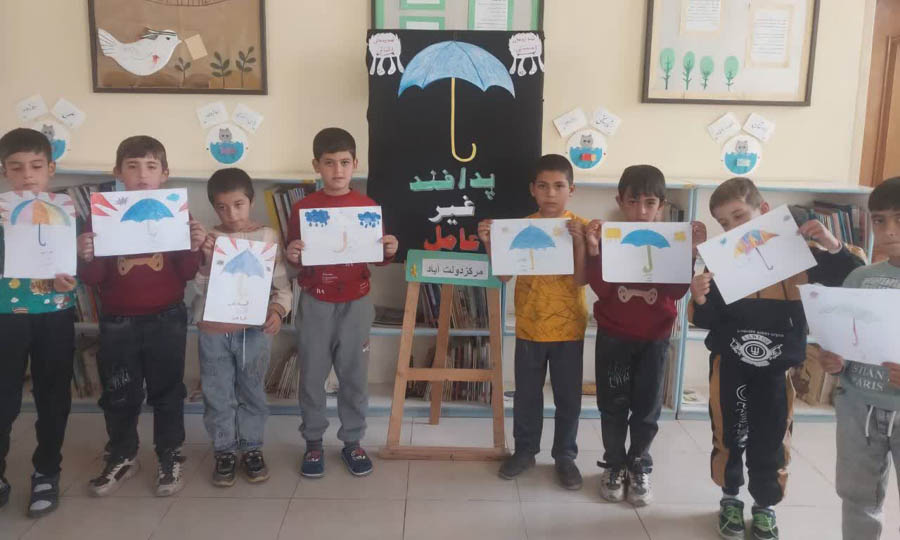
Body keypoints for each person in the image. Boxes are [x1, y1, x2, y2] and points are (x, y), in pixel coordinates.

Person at [691, 177, 864, 539]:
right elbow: (707, 319)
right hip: (730, 367)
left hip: (777, 370)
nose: (733, 227)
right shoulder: (722, 263)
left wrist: (833, 245)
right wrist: (701, 297)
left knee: (772, 438)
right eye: (724, 223)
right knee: (728, 434)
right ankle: (729, 497)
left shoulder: (801, 255)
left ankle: (765, 504)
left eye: (740, 216)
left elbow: (853, 279)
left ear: (764, 211)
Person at [78, 136, 206, 497]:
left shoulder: (177, 213)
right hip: (119, 321)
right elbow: (93, 278)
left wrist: (194, 245)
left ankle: (169, 454)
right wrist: (86, 254)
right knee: (120, 392)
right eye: (132, 167)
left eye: (151, 166)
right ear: (118, 172)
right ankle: (123, 454)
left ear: (165, 173)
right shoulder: (100, 215)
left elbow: (186, 272)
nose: (142, 175)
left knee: (168, 391)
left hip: (167, 318)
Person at [585, 164, 705, 507]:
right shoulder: (610, 238)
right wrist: (593, 250)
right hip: (614, 336)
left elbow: (677, 292)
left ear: (661, 206)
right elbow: (602, 289)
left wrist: (690, 253)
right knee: (612, 404)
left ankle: (639, 463)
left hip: (654, 338)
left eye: (650, 203)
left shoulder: (670, 242)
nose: (641, 211)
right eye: (633, 201)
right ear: (620, 201)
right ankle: (614, 463)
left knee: (647, 406)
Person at [285, 128, 398, 478]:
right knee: (312, 376)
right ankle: (313, 442)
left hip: (356, 304)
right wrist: (292, 254)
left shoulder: (367, 207)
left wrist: (389, 250)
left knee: (354, 377)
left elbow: (377, 258)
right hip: (315, 303)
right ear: (316, 165)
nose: (338, 170)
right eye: (329, 163)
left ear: (355, 164)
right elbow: (293, 262)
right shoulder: (303, 208)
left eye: (345, 162)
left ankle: (352, 441)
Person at [477, 154, 588, 490]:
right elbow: (503, 276)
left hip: (569, 328)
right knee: (527, 395)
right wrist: (489, 242)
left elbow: (582, 279)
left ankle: (565, 456)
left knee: (568, 397)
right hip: (529, 325)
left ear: (571, 190)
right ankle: (525, 451)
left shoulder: (581, 227)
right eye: (543, 186)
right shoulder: (520, 227)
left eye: (559, 186)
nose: (551, 193)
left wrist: (580, 241)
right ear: (532, 189)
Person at [193, 167, 293, 487]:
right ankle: (224, 450)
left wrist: (277, 311)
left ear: (250, 201)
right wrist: (207, 261)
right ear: (214, 207)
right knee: (217, 392)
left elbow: (282, 287)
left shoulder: (268, 237)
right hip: (214, 329)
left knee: (252, 390)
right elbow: (199, 288)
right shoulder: (210, 239)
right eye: (222, 207)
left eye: (238, 205)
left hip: (254, 330)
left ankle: (251, 447)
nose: (231, 214)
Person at [816, 177, 900, 540]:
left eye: (899, 219)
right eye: (880, 220)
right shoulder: (860, 278)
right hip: (858, 408)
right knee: (857, 498)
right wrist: (835, 361)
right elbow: (844, 343)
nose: (889, 230)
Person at [0, 128, 78, 517]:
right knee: (3, 400)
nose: (27, 175)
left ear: (50, 168)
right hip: (5, 317)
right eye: (16, 168)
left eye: (35, 166)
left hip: (54, 315)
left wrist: (72, 278)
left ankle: (47, 471)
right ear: (4, 171)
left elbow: (77, 266)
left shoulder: (66, 209)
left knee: (53, 399)